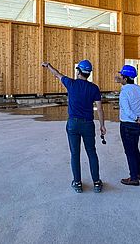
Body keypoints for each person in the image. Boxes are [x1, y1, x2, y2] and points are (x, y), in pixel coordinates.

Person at [42, 60, 106, 193]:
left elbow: (57, 74)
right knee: (91, 153)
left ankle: (77, 183)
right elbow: (99, 109)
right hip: (88, 124)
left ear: (78, 71)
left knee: (75, 154)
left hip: (73, 124)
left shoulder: (71, 83)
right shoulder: (94, 88)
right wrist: (102, 125)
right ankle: (97, 183)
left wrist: (48, 66)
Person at [115, 65, 140, 186]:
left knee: (129, 151)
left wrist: (137, 118)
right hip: (137, 126)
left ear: (126, 78)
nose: (120, 77)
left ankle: (133, 178)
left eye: (121, 76)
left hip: (128, 125)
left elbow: (127, 111)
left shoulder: (124, 93)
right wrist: (139, 119)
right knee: (135, 149)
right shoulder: (138, 89)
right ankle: (138, 173)